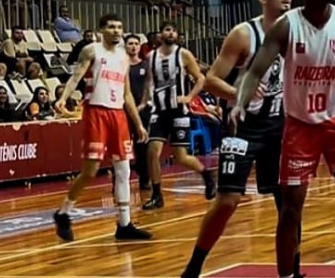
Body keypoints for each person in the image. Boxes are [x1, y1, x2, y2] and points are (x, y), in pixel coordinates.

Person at [232, 0, 335, 278]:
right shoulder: (286, 26)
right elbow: (255, 69)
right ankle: (286, 275)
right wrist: (239, 103)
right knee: (290, 210)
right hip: (300, 126)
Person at [181, 0, 298, 278]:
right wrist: (238, 92)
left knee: (287, 202)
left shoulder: (298, 32)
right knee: (227, 201)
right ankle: (193, 268)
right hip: (243, 127)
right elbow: (211, 80)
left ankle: (292, 270)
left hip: (279, 126)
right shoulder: (244, 34)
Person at [52, 14, 152, 242]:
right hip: (95, 112)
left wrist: (137, 123)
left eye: (119, 27)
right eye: (111, 27)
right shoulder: (91, 51)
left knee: (124, 170)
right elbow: (75, 76)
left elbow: (126, 94)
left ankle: (124, 224)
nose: (117, 31)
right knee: (90, 171)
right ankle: (63, 213)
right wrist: (63, 98)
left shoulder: (124, 57)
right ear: (101, 30)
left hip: (117, 115)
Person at [142, 22, 216, 209]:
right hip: (159, 110)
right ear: (160, 34)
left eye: (174, 30)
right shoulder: (151, 57)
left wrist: (190, 97)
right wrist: (144, 102)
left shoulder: (183, 54)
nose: (171, 33)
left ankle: (206, 175)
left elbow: (200, 78)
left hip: (178, 111)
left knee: (181, 156)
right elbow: (149, 82)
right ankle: (157, 195)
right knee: (152, 152)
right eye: (167, 29)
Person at [125, 34, 152, 197]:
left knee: (143, 146)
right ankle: (119, 180)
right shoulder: (121, 66)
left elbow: (149, 85)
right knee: (123, 146)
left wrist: (143, 103)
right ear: (125, 46)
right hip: (124, 109)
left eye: (136, 43)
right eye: (130, 43)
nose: (133, 46)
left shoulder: (145, 65)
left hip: (143, 109)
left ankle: (145, 178)